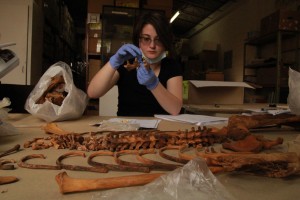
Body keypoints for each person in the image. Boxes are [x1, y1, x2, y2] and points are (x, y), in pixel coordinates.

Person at [87, 11, 183, 116]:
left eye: (158, 40)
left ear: (166, 42)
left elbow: (175, 109)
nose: (152, 45)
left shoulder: (171, 66)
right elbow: (93, 93)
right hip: (126, 128)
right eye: (146, 39)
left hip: (160, 129)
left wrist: (154, 84)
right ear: (138, 40)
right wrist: (114, 62)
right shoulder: (126, 63)